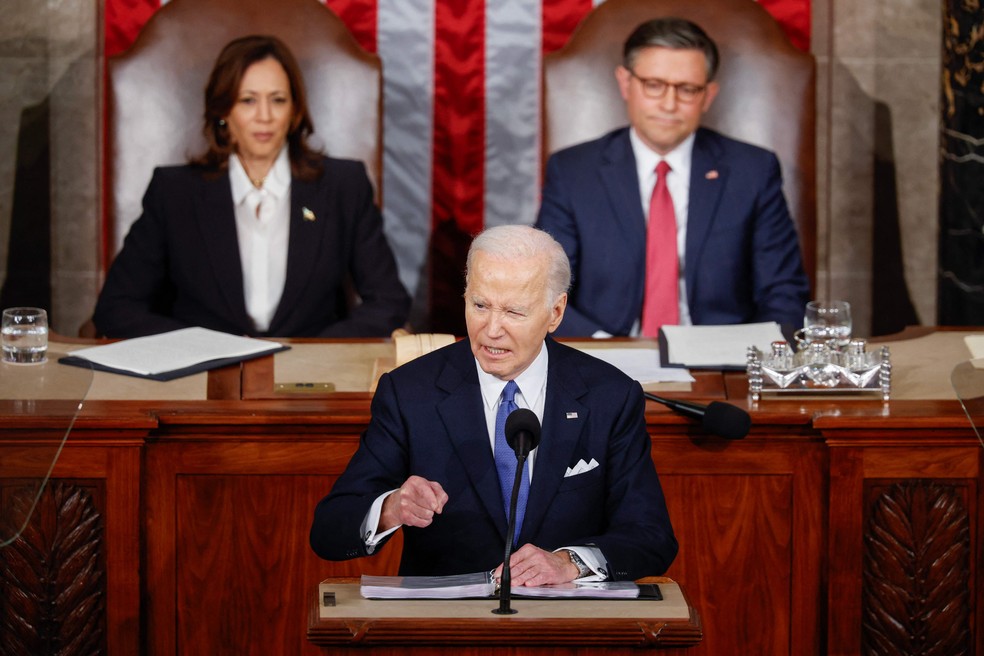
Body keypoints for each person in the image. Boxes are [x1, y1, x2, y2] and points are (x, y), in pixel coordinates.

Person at [310, 224, 676, 585]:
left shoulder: (608, 396)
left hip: (566, 626)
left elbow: (651, 537)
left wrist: (571, 563)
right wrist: (391, 508)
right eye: (480, 305)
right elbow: (329, 529)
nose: (492, 329)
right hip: (446, 631)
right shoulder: (410, 393)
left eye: (514, 312)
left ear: (556, 313)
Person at [93, 35, 410, 338]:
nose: (265, 116)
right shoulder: (174, 192)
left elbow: (388, 302)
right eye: (248, 100)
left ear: (295, 111)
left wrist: (312, 353)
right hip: (202, 379)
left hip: (310, 380)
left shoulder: (344, 185)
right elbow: (116, 308)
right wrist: (200, 346)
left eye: (278, 100)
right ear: (223, 113)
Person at [535, 17, 810, 338]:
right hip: (606, 358)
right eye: (654, 85)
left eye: (687, 89)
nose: (669, 104)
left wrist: (748, 353)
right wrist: (606, 351)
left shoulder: (753, 170)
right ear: (625, 83)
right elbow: (544, 290)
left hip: (720, 364)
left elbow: (784, 292)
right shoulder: (573, 171)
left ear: (708, 95)